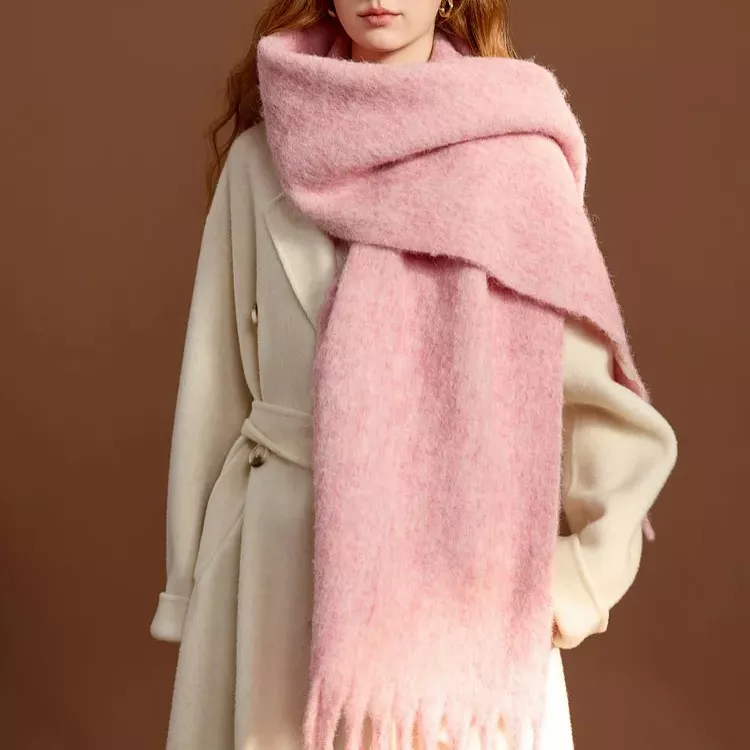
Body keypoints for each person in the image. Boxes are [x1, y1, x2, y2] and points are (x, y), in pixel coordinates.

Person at [150, 2, 678, 749]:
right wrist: (192, 585)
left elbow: (602, 409)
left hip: (458, 606)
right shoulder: (261, 160)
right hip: (273, 581)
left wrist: (575, 585)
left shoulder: (513, 165)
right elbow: (212, 388)